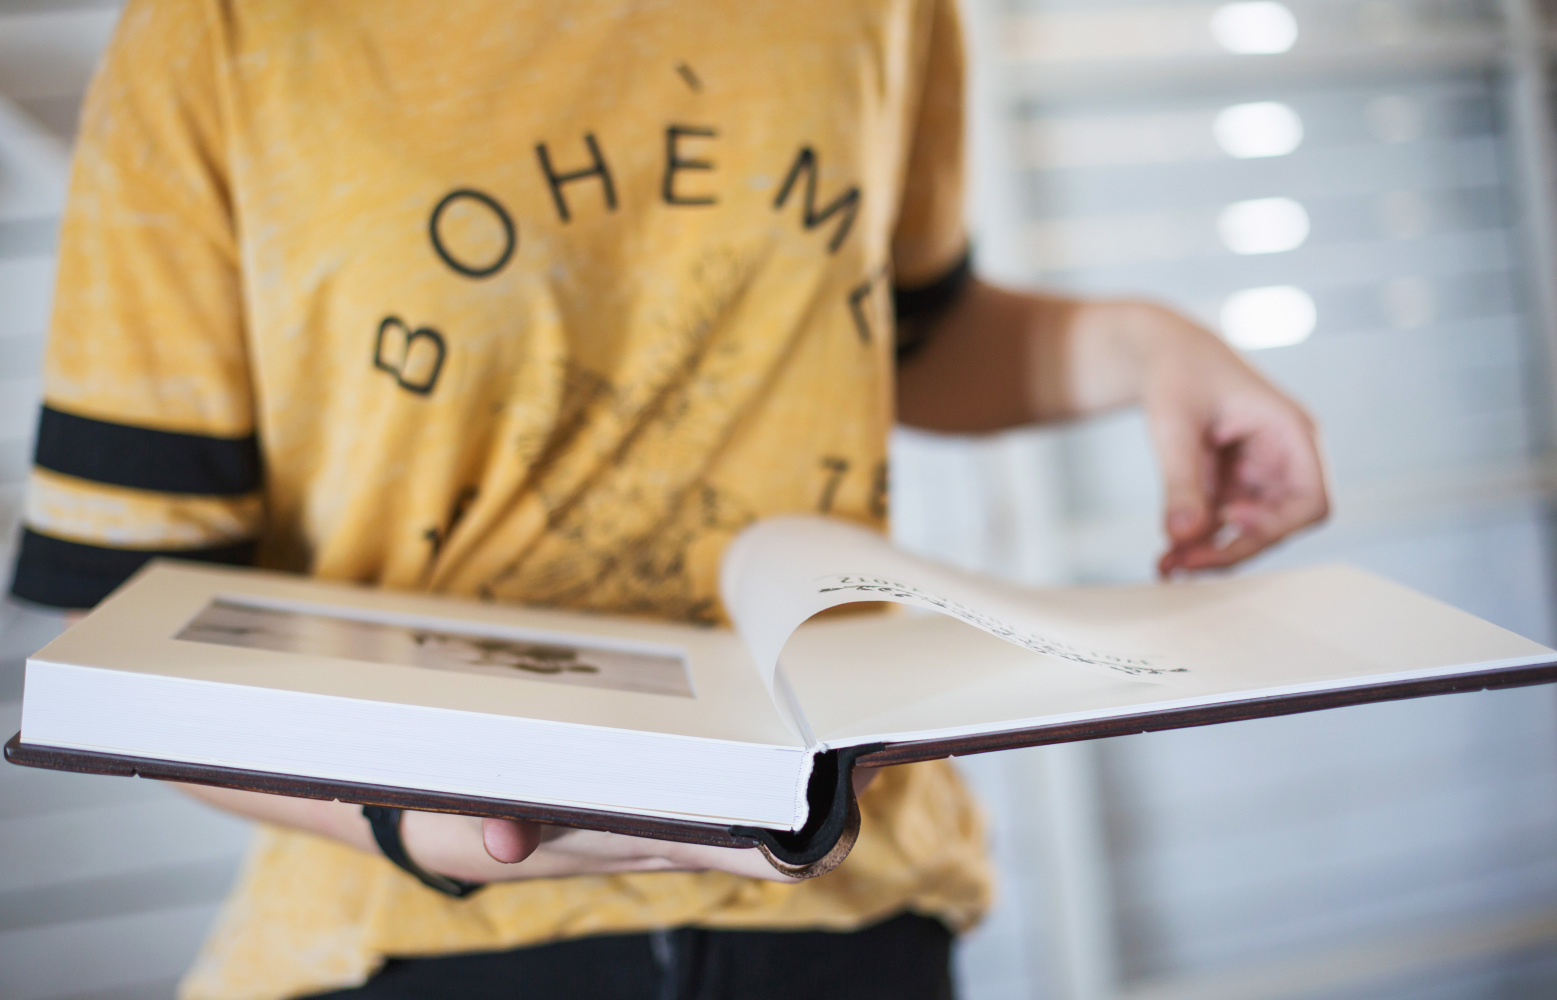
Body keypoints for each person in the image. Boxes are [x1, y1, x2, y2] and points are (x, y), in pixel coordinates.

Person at [9, 0, 1329, 997]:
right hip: (414, 933)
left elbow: (898, 328)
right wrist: (409, 821)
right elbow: (121, 624)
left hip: (849, 901)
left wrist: (1146, 347)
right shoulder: (220, 30)